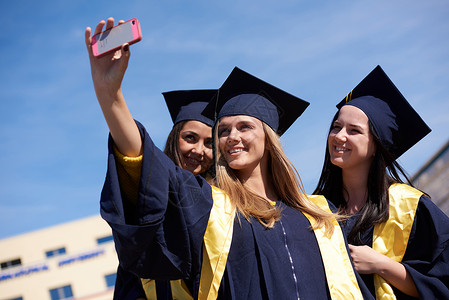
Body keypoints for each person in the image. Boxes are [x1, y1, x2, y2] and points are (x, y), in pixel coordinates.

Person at [86, 17, 371, 299]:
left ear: (269, 140)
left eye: (244, 127)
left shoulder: (320, 214)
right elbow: (154, 170)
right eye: (223, 130)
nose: (231, 136)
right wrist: (111, 96)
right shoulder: (211, 208)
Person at [314, 65, 449, 299]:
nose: (339, 136)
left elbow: (441, 287)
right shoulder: (315, 208)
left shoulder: (410, 206)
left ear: (376, 145)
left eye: (354, 130)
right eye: (336, 127)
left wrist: (381, 264)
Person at [113, 89, 217, 299]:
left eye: (209, 143)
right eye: (190, 138)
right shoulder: (151, 192)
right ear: (174, 138)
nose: (199, 150)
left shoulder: (222, 200)